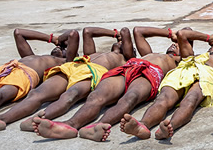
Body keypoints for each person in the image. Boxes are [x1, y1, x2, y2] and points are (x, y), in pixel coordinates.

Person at [0, 27, 133, 132]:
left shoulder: (125, 59)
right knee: (37, 94)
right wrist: (114, 34)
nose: (121, 43)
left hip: (94, 71)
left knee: (70, 95)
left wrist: (121, 36)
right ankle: (3, 119)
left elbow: (126, 32)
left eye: (126, 45)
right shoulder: (90, 53)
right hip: (75, 66)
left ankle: (38, 120)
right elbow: (88, 31)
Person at [34, 27, 180, 141]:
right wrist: (170, 33)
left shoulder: (180, 60)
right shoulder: (147, 52)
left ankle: (97, 126)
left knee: (131, 97)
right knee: (97, 96)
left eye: (178, 45)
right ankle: (71, 124)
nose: (174, 45)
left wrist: (180, 37)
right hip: (128, 67)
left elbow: (187, 36)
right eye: (174, 43)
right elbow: (138, 31)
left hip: (150, 72)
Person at [120, 28, 213, 140]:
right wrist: (209, 38)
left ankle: (170, 126)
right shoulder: (192, 57)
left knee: (190, 100)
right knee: (163, 99)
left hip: (206, 74)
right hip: (184, 69)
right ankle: (143, 125)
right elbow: (183, 34)